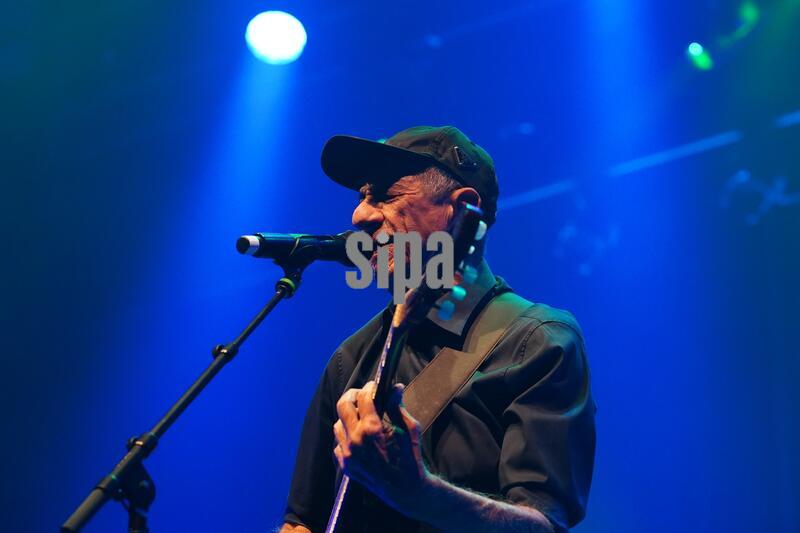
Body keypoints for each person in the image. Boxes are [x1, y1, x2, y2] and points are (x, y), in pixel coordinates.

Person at [280, 126, 595, 533]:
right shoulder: (349, 360)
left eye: (385, 195)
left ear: (461, 209)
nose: (359, 216)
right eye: (361, 196)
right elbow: (301, 521)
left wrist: (420, 494)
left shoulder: (538, 342)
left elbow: (544, 524)